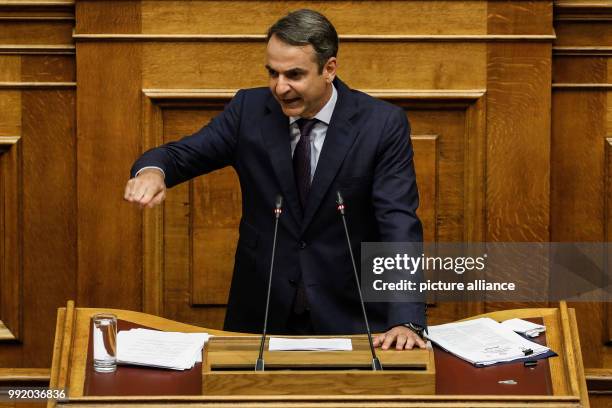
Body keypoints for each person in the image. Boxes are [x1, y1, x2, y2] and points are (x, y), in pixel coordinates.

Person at [124, 9, 426, 350]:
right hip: (262, 311)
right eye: (273, 73)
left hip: (349, 312)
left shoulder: (381, 124)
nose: (280, 88)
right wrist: (152, 171)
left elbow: (398, 224)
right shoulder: (248, 110)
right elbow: (180, 155)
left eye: (294, 75)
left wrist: (405, 317)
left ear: (329, 69)